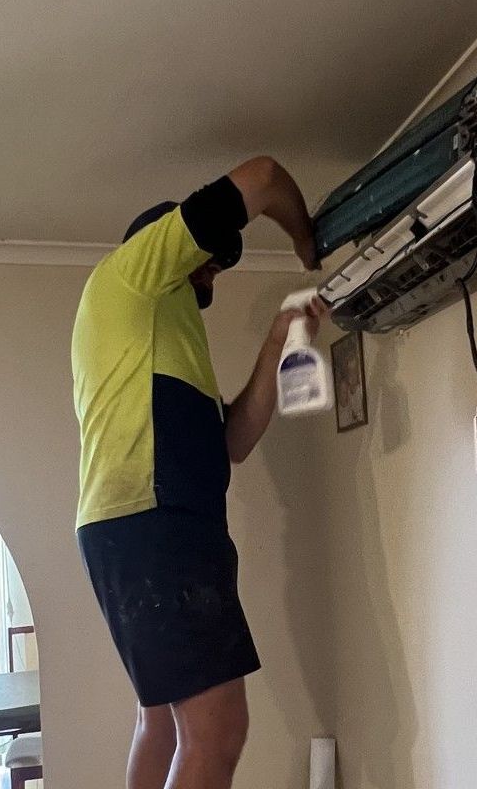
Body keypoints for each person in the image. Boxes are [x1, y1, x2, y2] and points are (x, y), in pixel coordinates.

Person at [72, 156, 326, 789]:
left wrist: (275, 344)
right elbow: (265, 177)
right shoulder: (135, 272)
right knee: (218, 730)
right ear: (170, 245)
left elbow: (233, 443)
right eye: (209, 256)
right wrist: (305, 239)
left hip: (130, 524)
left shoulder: (154, 338)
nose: (215, 269)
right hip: (155, 519)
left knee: (161, 721)